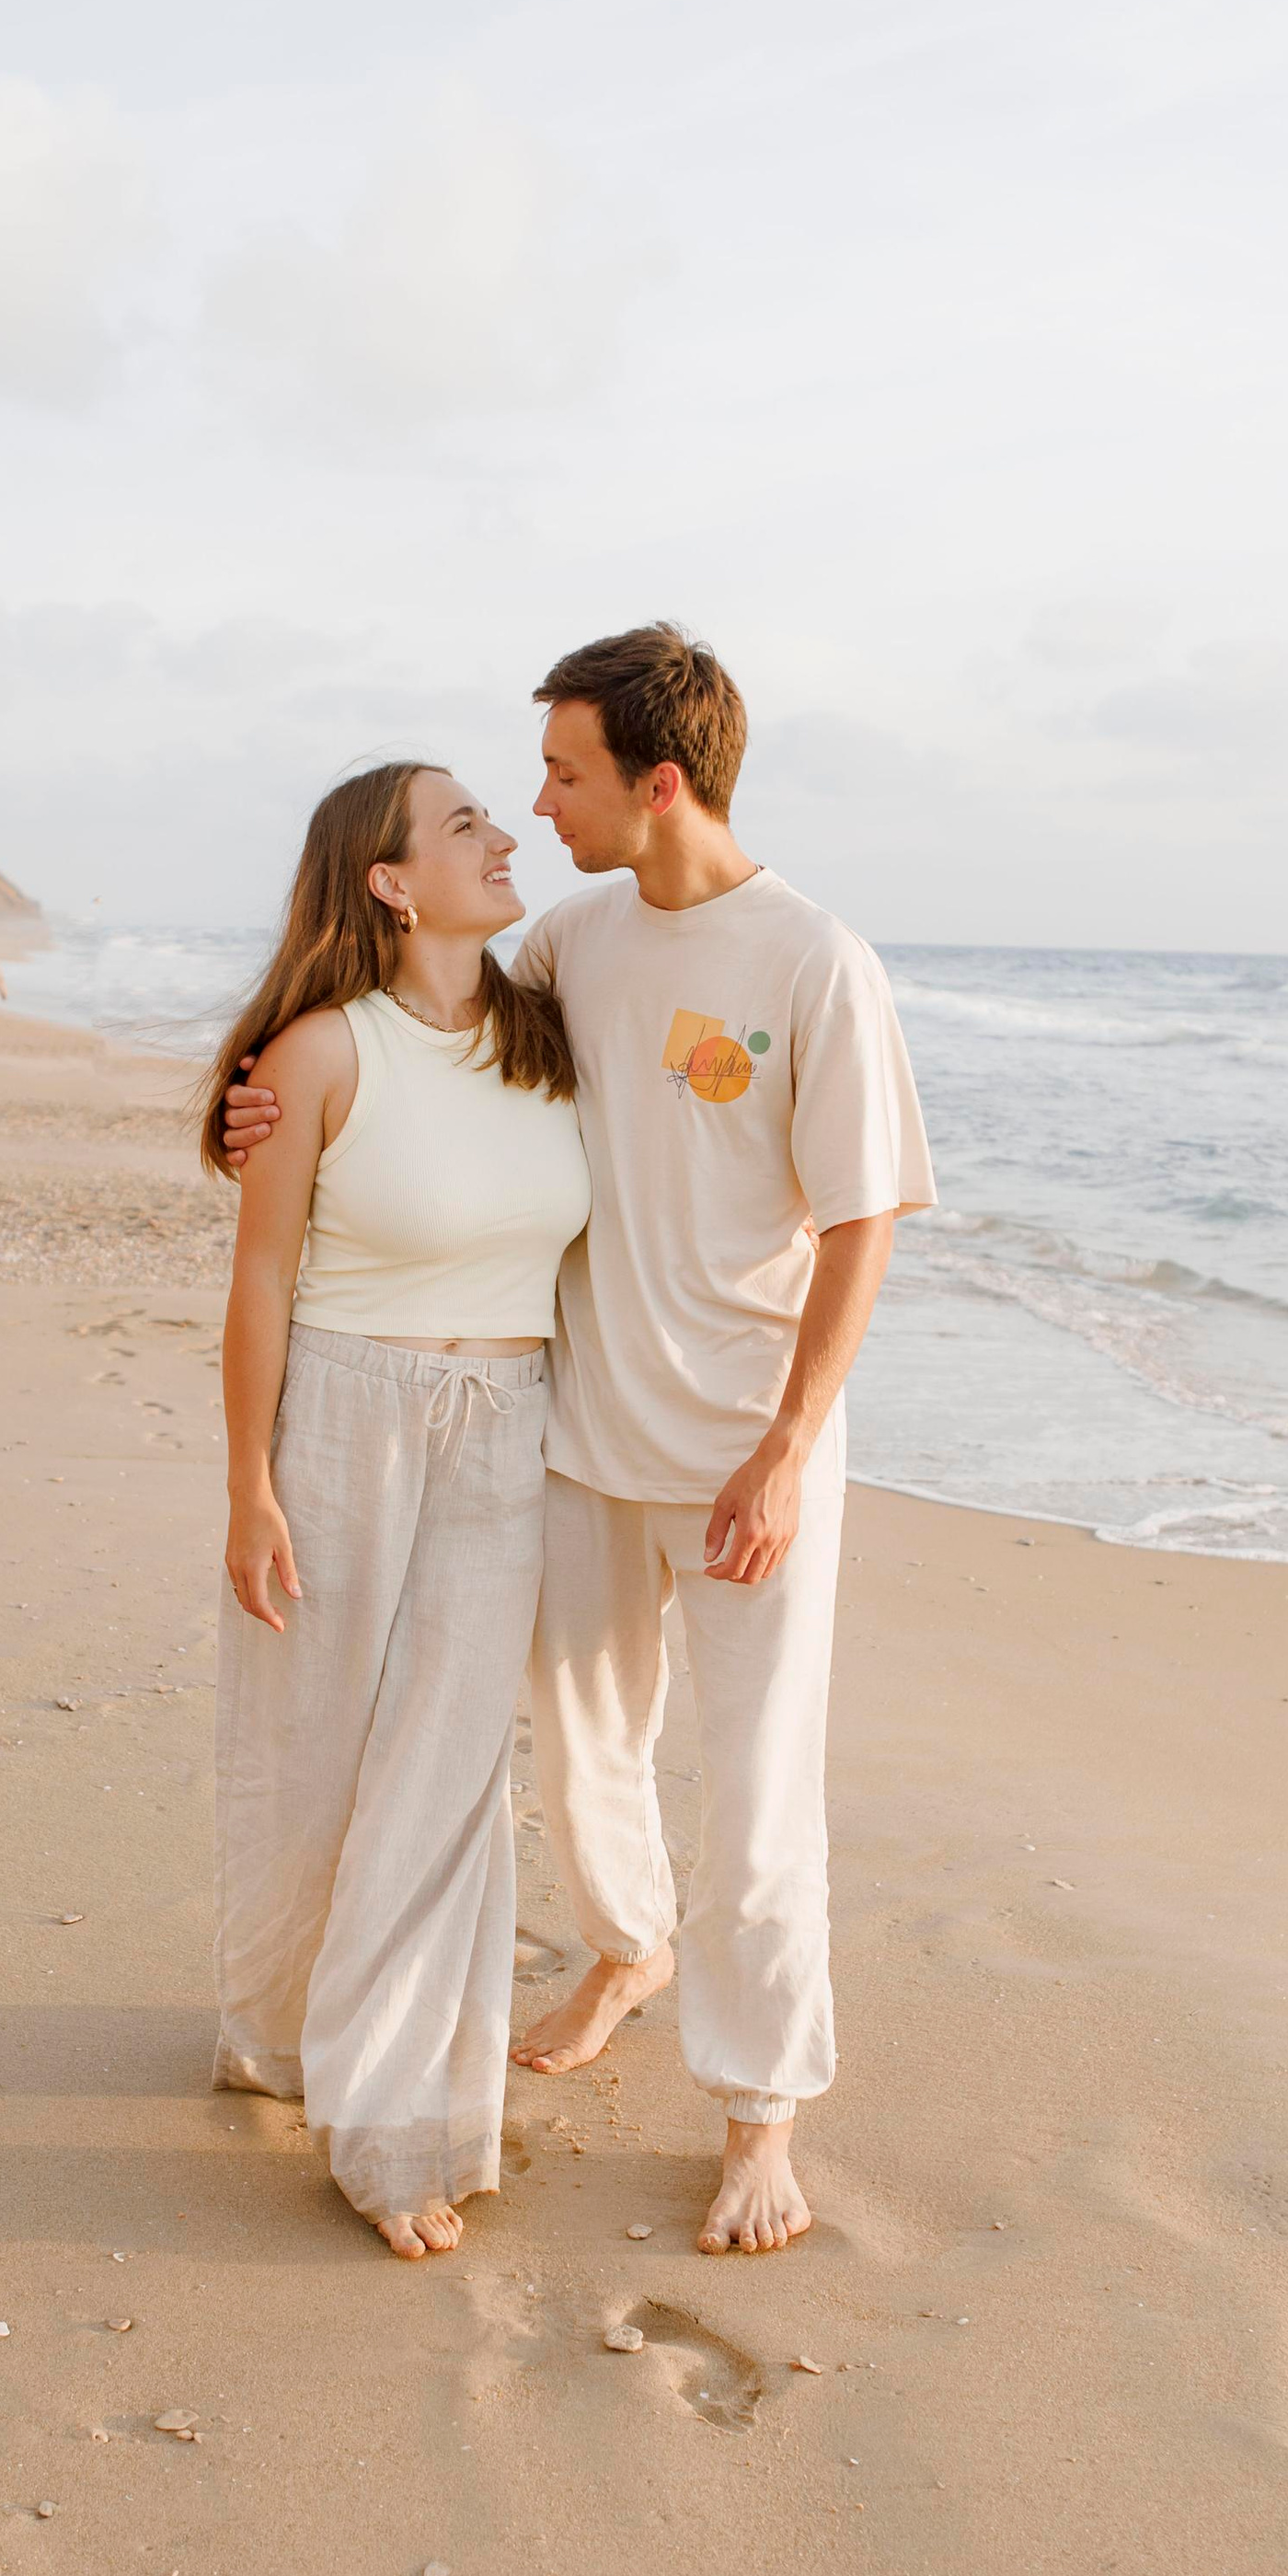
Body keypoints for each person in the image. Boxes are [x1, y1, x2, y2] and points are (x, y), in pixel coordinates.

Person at [224, 629, 933, 2257]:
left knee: (755, 1794)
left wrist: (785, 1445)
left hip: (749, 1457)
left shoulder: (816, 962)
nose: (536, 806)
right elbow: (415, 1041)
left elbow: (862, 1223)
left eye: (563, 774)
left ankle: (761, 2120)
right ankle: (630, 1947)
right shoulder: (571, 944)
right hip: (573, 1436)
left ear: (658, 782)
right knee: (582, 1745)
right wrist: (249, 1104)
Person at [195, 761, 590, 2258]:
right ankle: (282, 2028)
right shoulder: (317, 1053)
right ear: (388, 880)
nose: (505, 839)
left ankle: (392, 2117)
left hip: (512, 1423)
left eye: (501, 814)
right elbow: (262, 1277)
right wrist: (248, 1488)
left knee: (447, 1771)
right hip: (346, 1416)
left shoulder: (548, 1035)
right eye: (468, 825)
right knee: (309, 1757)